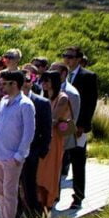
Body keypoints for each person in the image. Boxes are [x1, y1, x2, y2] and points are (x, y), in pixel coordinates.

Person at [0, 69, 36, 218]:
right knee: (1, 192)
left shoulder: (26, 105)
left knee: (10, 193)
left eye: (5, 84)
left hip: (11, 157)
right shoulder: (3, 102)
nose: (2, 87)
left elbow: (29, 132)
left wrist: (19, 155)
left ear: (14, 84)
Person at [60, 47, 98, 208]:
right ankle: (54, 196)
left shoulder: (88, 76)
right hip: (61, 126)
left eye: (70, 56)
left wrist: (82, 124)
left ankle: (78, 196)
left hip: (77, 127)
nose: (67, 59)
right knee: (60, 161)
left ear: (78, 59)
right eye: (65, 56)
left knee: (77, 160)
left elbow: (90, 102)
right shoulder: (60, 75)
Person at [37, 70, 73, 210]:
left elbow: (53, 118)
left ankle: (49, 199)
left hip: (54, 138)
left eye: (47, 81)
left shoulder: (62, 98)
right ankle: (39, 199)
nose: (44, 84)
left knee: (50, 169)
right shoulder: (43, 97)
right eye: (43, 81)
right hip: (42, 136)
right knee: (39, 170)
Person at [20, 81, 53, 218]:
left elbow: (47, 129)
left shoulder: (42, 102)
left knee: (30, 185)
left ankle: (35, 215)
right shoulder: (10, 101)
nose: (25, 83)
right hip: (14, 151)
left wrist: (41, 151)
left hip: (33, 151)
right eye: (23, 80)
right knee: (15, 186)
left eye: (28, 80)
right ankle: (16, 215)